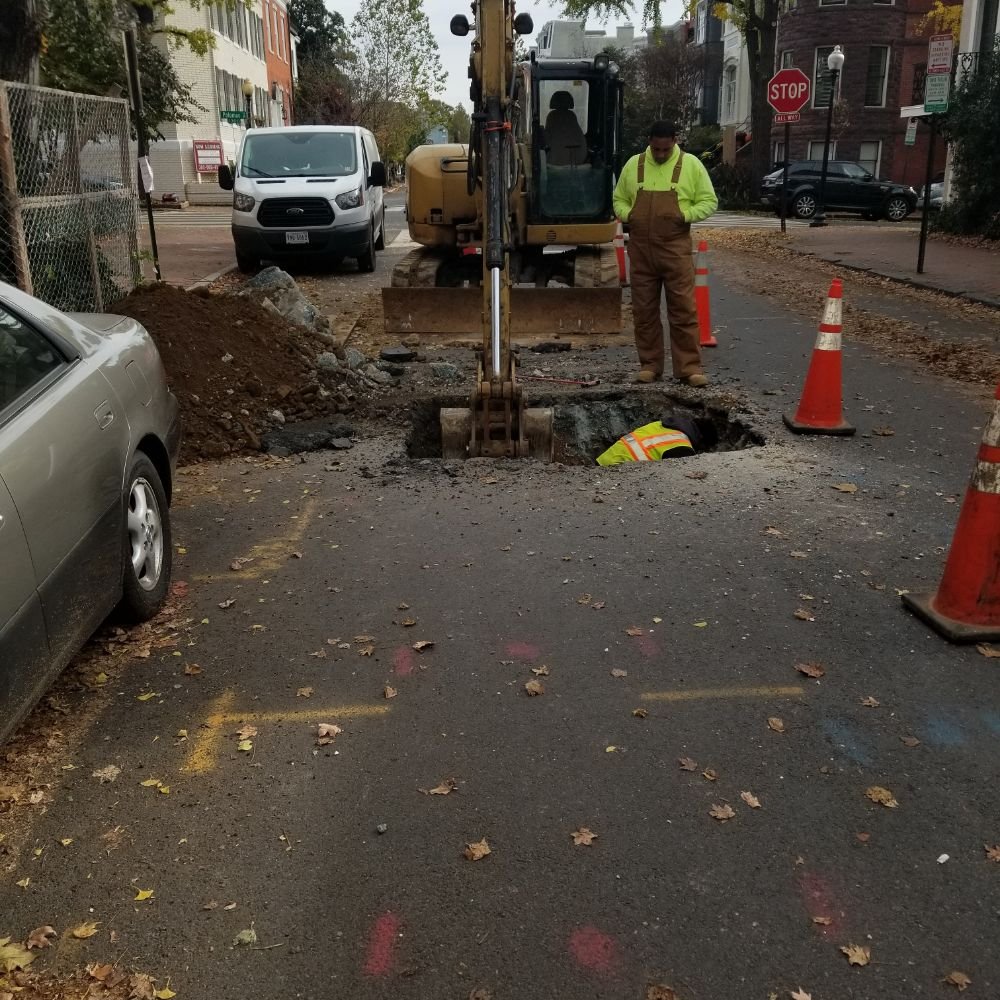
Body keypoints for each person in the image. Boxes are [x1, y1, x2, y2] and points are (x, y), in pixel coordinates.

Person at [613, 121, 718, 387]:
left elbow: (709, 201)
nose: (660, 154)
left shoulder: (691, 165)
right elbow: (618, 199)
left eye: (665, 150)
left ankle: (689, 368)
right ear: (649, 141)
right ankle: (650, 366)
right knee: (644, 311)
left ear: (674, 141)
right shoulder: (633, 165)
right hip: (641, 252)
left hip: (675, 250)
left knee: (683, 310)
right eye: (656, 149)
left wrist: (685, 215)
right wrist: (629, 215)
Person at [596, 412, 718, 466]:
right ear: (700, 439)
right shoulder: (682, 447)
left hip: (604, 460)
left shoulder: (661, 425)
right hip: (616, 469)